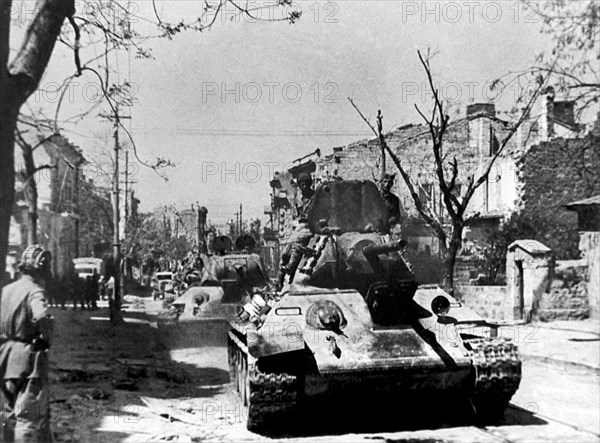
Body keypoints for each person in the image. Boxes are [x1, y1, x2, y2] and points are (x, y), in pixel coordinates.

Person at [0, 244, 54, 442]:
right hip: (27, 361)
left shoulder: (6, 290)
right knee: (27, 418)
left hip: (4, 358)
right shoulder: (35, 291)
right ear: (42, 267)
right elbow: (41, 316)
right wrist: (46, 337)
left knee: (7, 415)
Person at [276, 173, 315, 290]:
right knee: (286, 250)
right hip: (301, 226)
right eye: (301, 183)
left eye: (306, 183)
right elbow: (296, 216)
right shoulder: (298, 199)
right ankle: (280, 277)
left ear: (310, 184)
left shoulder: (315, 197)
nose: (303, 186)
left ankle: (290, 268)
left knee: (295, 244)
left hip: (312, 226)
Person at [379, 173, 403, 238]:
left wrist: (387, 222)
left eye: (389, 182)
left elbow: (396, 215)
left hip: (388, 231)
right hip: (374, 231)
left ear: (392, 184)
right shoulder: (375, 197)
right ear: (380, 182)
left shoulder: (394, 199)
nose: (387, 184)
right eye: (385, 181)